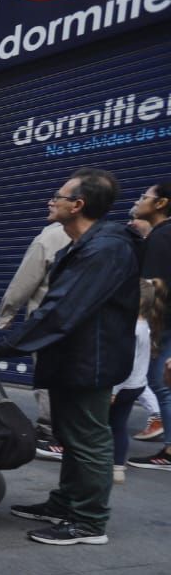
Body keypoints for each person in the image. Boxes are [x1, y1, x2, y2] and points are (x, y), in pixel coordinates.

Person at [0, 167, 140, 545]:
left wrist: (1, 348)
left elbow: (61, 310)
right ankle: (66, 504)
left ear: (78, 205)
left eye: (58, 197)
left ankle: (89, 521)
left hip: (89, 361)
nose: (51, 201)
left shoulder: (105, 248)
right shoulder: (85, 244)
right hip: (71, 358)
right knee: (72, 436)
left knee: (89, 438)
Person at [0, 221, 72, 451]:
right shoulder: (102, 238)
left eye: (58, 197)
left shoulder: (50, 237)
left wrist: (7, 312)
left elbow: (26, 279)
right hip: (82, 321)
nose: (51, 201)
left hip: (48, 321)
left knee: (48, 374)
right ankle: (70, 431)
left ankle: (50, 433)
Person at [130, 182, 171, 452]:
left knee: (159, 382)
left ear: (161, 203)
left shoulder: (162, 236)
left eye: (145, 197)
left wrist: (141, 323)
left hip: (161, 323)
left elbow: (152, 285)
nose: (139, 201)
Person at [110, 281, 160, 483]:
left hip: (121, 386)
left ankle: (98, 463)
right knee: (119, 426)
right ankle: (118, 467)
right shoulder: (145, 326)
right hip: (136, 386)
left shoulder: (131, 330)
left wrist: (113, 390)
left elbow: (124, 364)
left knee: (101, 426)